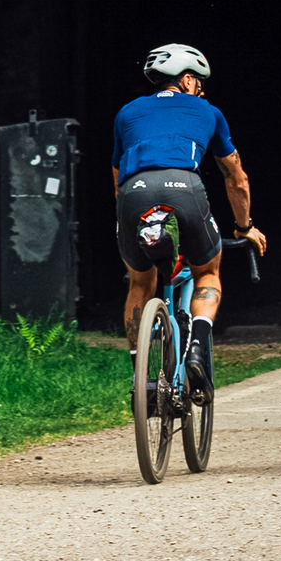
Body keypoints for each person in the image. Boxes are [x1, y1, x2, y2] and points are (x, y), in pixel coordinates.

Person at [113, 44, 265, 405]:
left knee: (139, 281)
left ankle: (142, 382)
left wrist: (130, 223)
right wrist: (244, 227)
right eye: (198, 81)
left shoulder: (127, 113)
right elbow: (237, 178)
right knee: (207, 271)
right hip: (186, 189)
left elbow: (119, 180)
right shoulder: (208, 111)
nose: (201, 89)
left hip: (134, 195)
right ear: (185, 79)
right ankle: (197, 347)